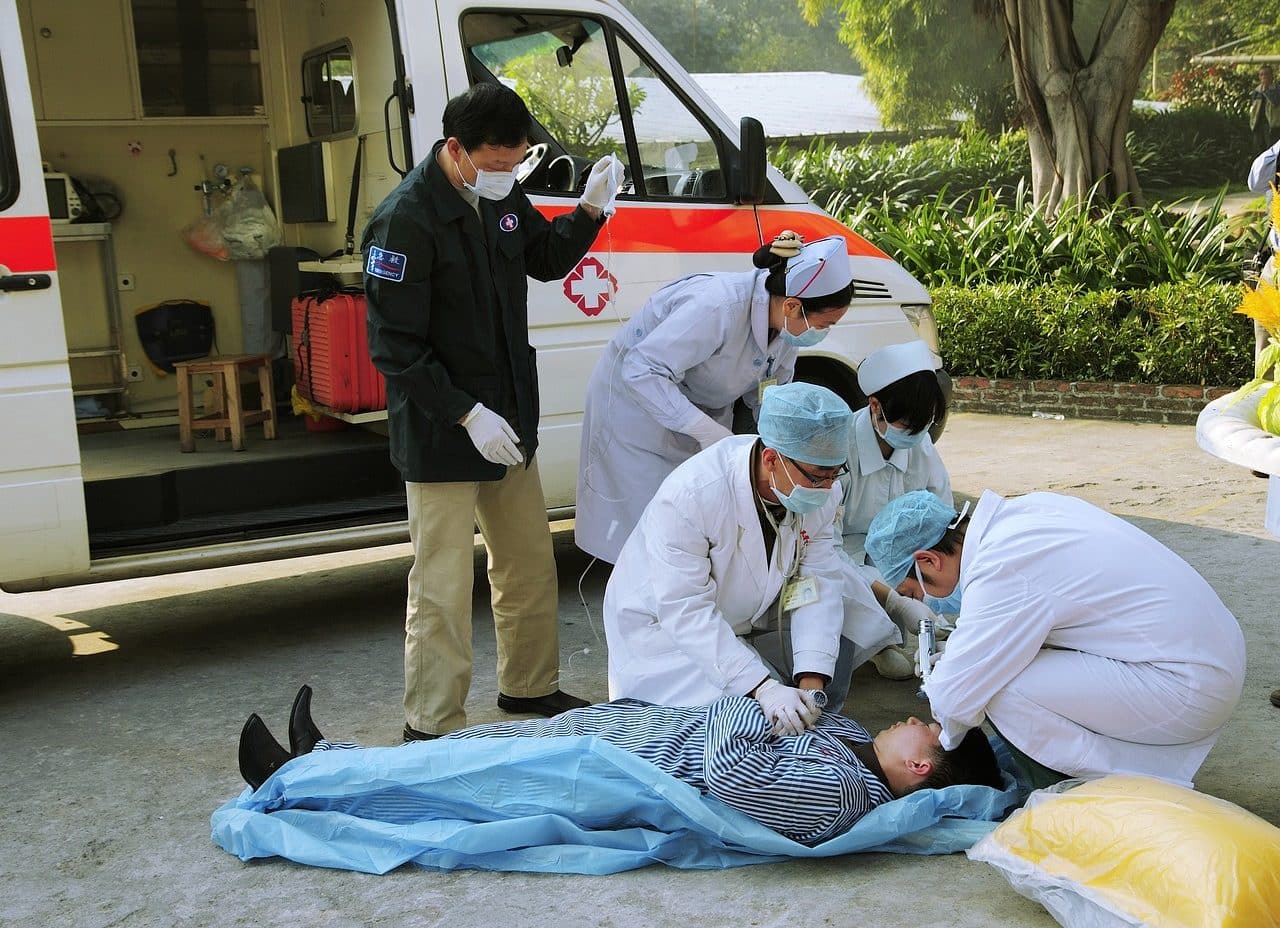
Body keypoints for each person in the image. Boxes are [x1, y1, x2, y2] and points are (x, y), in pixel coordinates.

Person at [364, 83, 621, 740]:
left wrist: (590, 212)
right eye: (500, 162)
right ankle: (432, 720)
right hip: (444, 432)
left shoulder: (499, 200)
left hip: (508, 426)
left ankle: (528, 687)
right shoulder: (406, 220)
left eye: (518, 162)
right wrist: (464, 413)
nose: (510, 175)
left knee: (528, 564)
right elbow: (393, 347)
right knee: (443, 585)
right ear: (457, 149)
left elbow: (544, 257)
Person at [237, 685, 1003, 847]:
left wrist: (751, 700)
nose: (915, 719)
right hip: (623, 731)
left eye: (927, 733)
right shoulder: (847, 738)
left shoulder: (839, 790)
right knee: (460, 755)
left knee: (457, 784)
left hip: (613, 770)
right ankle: (326, 759)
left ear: (923, 772)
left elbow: (735, 775)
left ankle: (296, 779)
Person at [865, 490, 1247, 788]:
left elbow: (955, 697)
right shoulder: (1025, 514)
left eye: (914, 591)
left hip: (1188, 685)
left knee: (999, 688)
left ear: (929, 560)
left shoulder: (1000, 566)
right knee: (996, 669)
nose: (925, 601)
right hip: (1207, 656)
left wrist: (944, 729)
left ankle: (1100, 790)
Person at [603, 381, 900, 730]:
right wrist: (763, 688)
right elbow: (686, 610)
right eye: (820, 476)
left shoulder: (821, 491)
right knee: (748, 727)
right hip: (664, 630)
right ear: (772, 458)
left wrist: (812, 683)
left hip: (740, 613)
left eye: (837, 473)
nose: (829, 487)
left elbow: (817, 585)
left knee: (844, 606)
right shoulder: (692, 496)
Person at [575, 231, 855, 564]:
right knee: (646, 538)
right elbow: (642, 370)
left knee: (696, 527)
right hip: (637, 416)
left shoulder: (786, 327)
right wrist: (708, 433)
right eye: (825, 324)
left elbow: (770, 389)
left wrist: (784, 437)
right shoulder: (718, 305)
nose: (823, 333)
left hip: (701, 412)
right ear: (793, 305)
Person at [838, 340, 952, 680]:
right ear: (875, 406)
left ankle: (912, 631)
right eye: (906, 426)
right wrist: (896, 601)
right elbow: (819, 544)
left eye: (923, 426)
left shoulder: (920, 445)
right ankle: (878, 644)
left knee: (933, 600)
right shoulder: (840, 447)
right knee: (832, 583)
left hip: (897, 557)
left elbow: (943, 519)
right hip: (841, 552)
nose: (915, 437)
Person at [1249, 65, 1280, 153]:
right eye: (1261, 75)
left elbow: (1275, 102)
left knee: (1272, 152)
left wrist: (1266, 90)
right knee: (1259, 152)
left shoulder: (1277, 89)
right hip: (1258, 126)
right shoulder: (1256, 91)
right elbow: (1253, 108)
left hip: (1273, 126)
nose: (1264, 77)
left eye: (1266, 74)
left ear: (1271, 76)